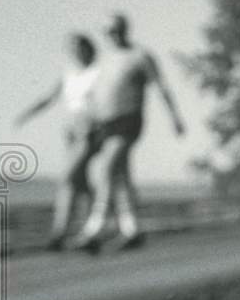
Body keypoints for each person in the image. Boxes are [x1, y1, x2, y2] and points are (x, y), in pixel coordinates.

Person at [70, 12, 185, 251]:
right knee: (120, 177)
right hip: (104, 123)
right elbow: (94, 94)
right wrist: (87, 121)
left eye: (116, 30)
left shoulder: (140, 56)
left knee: (107, 168)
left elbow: (161, 86)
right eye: (108, 31)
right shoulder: (103, 60)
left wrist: (175, 118)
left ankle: (94, 230)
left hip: (128, 120)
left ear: (125, 30)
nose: (113, 35)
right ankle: (132, 230)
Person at [15, 33, 100, 250]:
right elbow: (50, 97)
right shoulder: (69, 74)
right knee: (80, 182)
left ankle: (59, 233)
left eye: (79, 47)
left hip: (90, 129)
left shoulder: (98, 73)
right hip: (70, 130)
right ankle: (91, 231)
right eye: (70, 48)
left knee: (67, 178)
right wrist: (28, 113)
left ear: (88, 48)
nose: (75, 52)